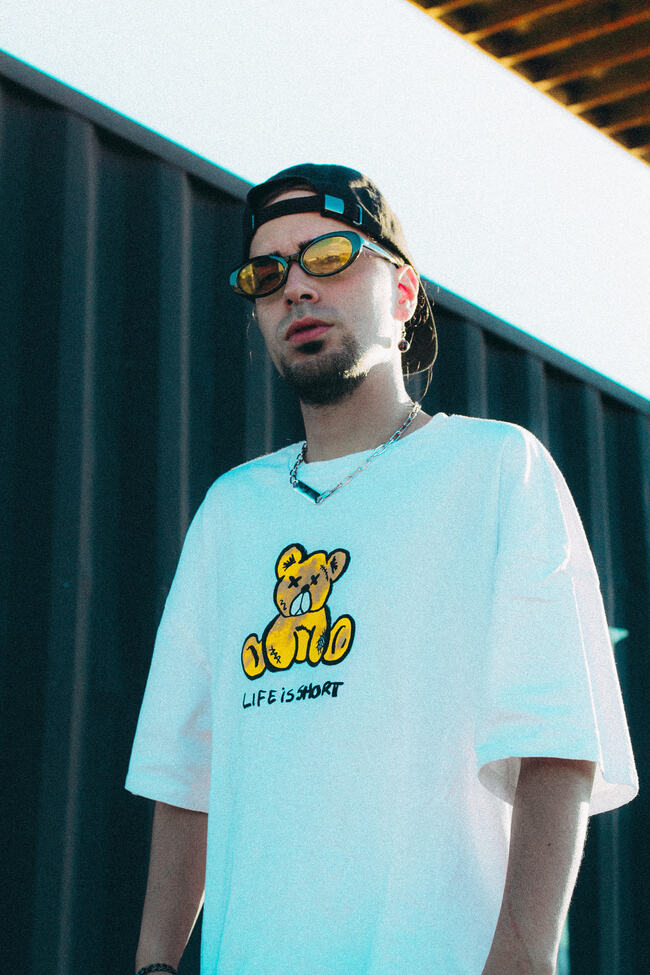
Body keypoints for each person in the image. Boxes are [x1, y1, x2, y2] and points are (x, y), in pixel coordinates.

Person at [126, 164, 638, 975]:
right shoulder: (231, 513)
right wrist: (155, 963)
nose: (296, 287)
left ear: (403, 295)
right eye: (267, 274)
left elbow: (558, 744)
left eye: (328, 256)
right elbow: (186, 771)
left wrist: (521, 960)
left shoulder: (496, 470)